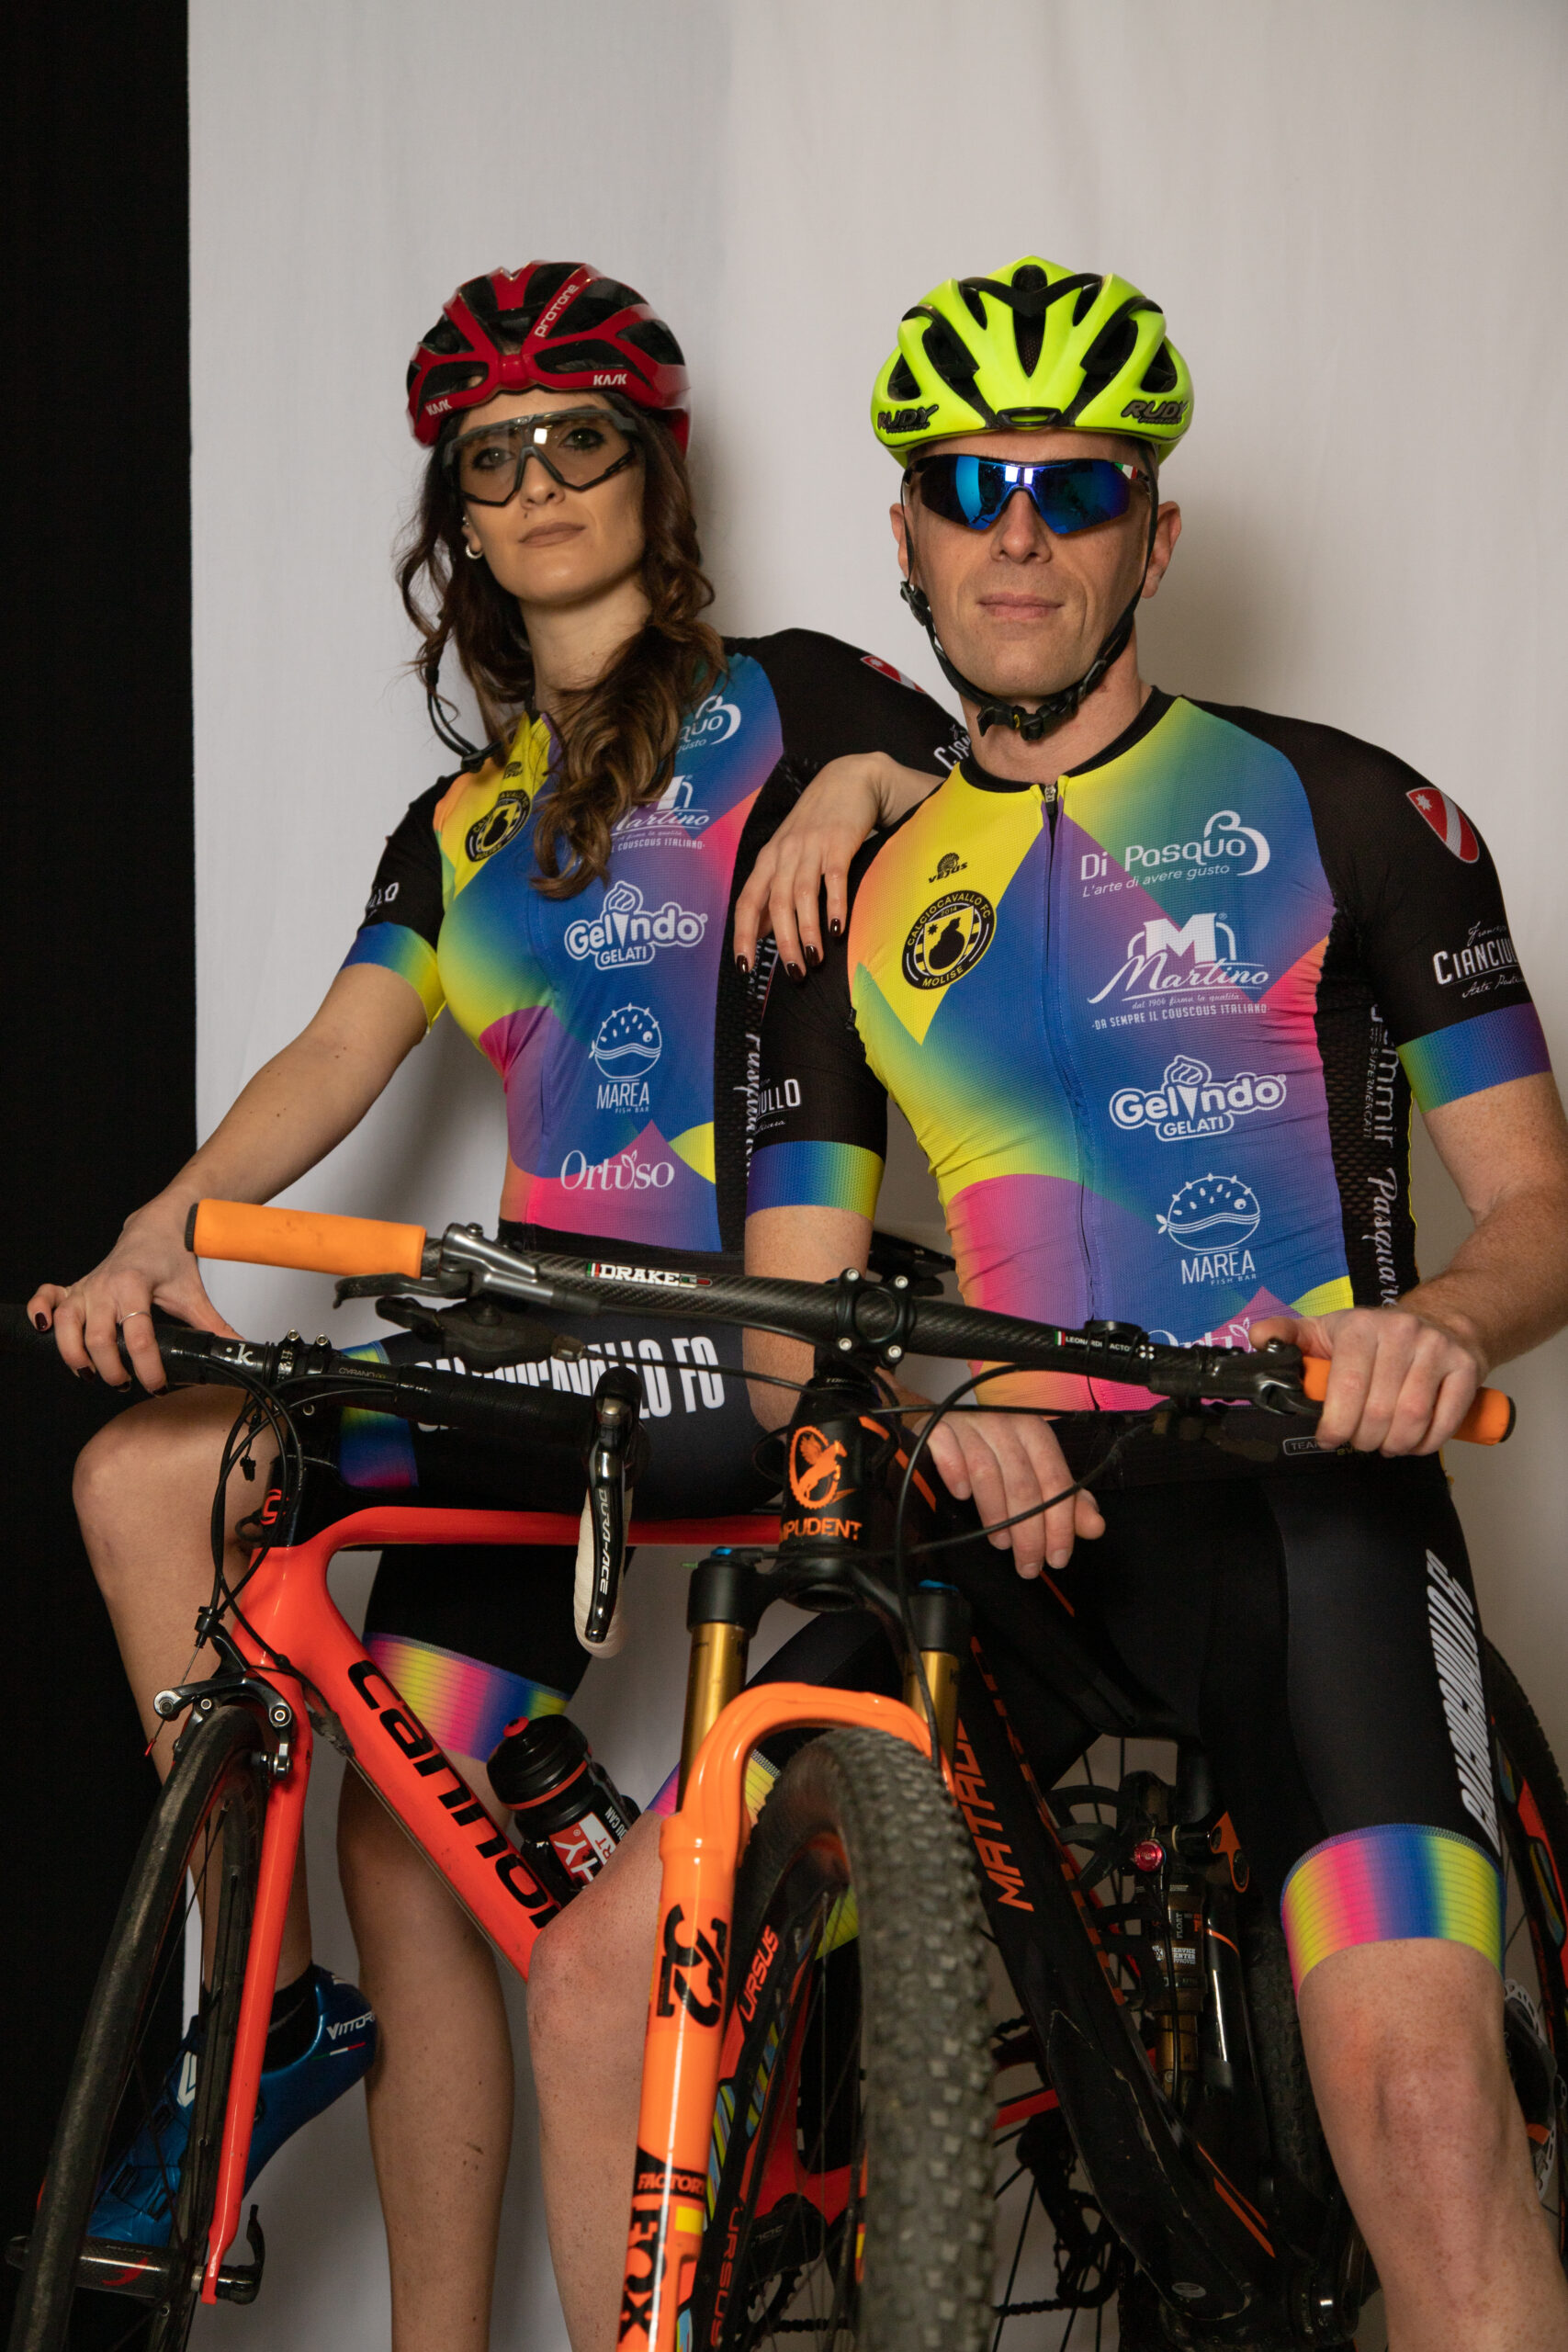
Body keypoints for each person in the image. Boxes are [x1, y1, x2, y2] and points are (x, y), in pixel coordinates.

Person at [533, 253, 1568, 2352]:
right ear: (904, 536)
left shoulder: (1346, 808)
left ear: (1149, 537)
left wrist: (1435, 1326)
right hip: (1002, 1540)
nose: (1018, 534)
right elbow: (789, 1324)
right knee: (597, 1969)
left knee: (1416, 2094)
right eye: (969, 486)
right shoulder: (831, 893)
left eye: (1073, 488)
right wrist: (932, 1405)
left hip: (1306, 1511)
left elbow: (1538, 1206)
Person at [28, 259, 963, 2351]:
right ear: (455, 514)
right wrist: (165, 1226)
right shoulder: (456, 822)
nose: (535, 482)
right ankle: (284, 2037)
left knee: (440, 1801)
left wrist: (862, 786)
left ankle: (717, 1976)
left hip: (743, 1343)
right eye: (490, 458)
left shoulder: (801, 699)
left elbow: (998, 789)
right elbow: (335, 1054)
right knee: (207, 1560)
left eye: (578, 440)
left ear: (656, 472)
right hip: (533, 1367)